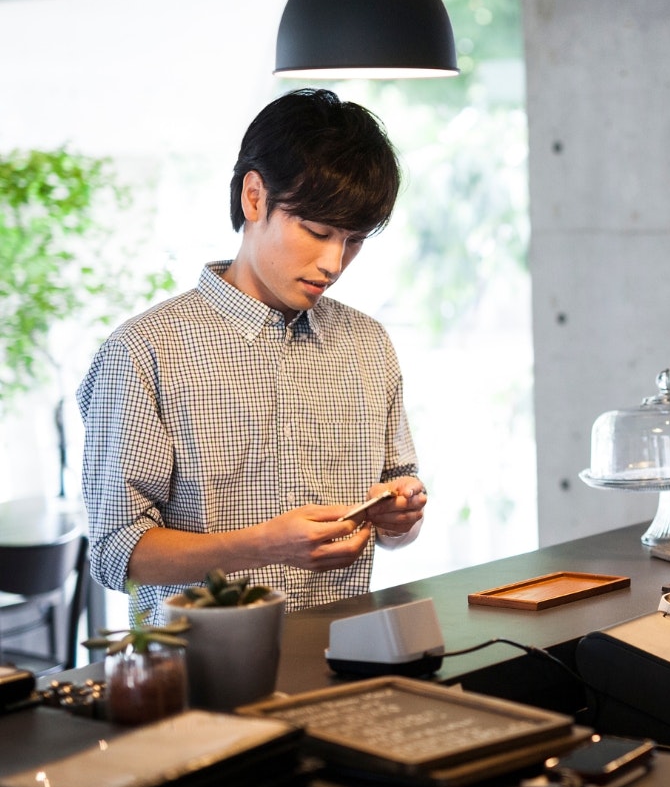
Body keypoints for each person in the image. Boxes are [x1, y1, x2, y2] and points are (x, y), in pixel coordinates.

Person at [78, 88, 427, 621]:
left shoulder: (368, 345)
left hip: (348, 663)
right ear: (255, 197)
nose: (334, 262)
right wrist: (261, 546)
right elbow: (115, 552)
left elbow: (397, 523)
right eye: (317, 231)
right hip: (201, 678)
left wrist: (399, 516)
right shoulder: (144, 351)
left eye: (353, 240)